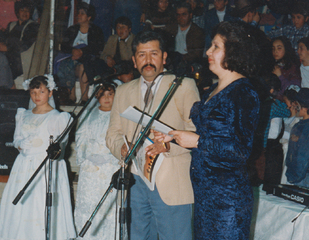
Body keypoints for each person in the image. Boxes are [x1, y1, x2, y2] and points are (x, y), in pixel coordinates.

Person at [153, 21, 260, 239]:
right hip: (205, 195)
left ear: (234, 51)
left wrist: (197, 141)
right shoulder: (214, 88)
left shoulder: (243, 93)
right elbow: (210, 136)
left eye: (216, 47)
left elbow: (240, 151)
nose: (208, 52)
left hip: (227, 201)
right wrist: (172, 137)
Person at [105, 30, 200, 240]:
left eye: (154, 53)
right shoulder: (123, 91)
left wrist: (169, 145)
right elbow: (113, 133)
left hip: (171, 181)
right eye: (141, 55)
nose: (148, 60)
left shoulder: (183, 86)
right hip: (136, 181)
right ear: (134, 60)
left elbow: (196, 132)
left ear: (164, 56)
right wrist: (121, 147)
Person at [0, 75, 76, 240]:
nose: (37, 96)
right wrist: (22, 144)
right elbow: (16, 140)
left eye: (41, 91)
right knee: (22, 203)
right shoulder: (23, 115)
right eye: (33, 92)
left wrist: (42, 146)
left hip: (44, 165)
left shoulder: (58, 117)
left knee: (40, 202)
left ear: (50, 93)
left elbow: (61, 146)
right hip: (24, 165)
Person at [74, 83, 120, 239]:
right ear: (96, 96)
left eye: (110, 94)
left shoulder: (120, 115)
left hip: (110, 165)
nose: (106, 98)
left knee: (108, 205)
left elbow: (123, 140)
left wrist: (111, 156)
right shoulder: (88, 114)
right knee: (90, 202)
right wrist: (87, 155)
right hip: (91, 167)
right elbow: (81, 137)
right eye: (102, 94)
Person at [60, 2, 104, 104]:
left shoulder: (96, 31)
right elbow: (64, 46)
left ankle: (84, 99)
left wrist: (81, 52)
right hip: (72, 58)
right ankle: (71, 97)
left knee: (83, 67)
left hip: (88, 60)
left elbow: (97, 47)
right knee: (67, 65)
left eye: (82, 13)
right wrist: (73, 51)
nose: (78, 16)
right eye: (78, 13)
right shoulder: (72, 30)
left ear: (89, 17)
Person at [0, 0, 39, 79]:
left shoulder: (33, 26)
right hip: (9, 62)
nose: (25, 13)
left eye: (27, 11)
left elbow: (24, 45)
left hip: (22, 64)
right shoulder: (11, 25)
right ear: (17, 12)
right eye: (22, 10)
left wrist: (7, 48)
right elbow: (4, 39)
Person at [165, 2, 205, 67]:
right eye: (178, 15)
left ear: (190, 15)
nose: (180, 17)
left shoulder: (197, 32)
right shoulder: (170, 29)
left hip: (189, 63)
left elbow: (197, 54)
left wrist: (180, 59)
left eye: (184, 14)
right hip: (172, 62)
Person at [286, 88, 309, 188]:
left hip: (302, 178)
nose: (293, 106)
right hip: (297, 175)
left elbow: (303, 157)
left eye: (297, 104)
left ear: (305, 109)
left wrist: (295, 177)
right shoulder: (298, 126)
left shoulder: (305, 128)